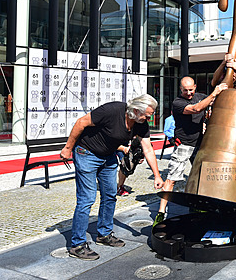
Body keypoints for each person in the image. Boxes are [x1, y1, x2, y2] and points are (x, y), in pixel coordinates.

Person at [60, 94, 164, 261]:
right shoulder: (112, 110)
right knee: (87, 198)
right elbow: (81, 122)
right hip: (86, 153)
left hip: (108, 156)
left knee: (110, 195)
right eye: (147, 115)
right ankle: (77, 244)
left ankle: (104, 234)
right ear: (136, 111)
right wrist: (67, 148)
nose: (149, 119)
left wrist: (157, 176)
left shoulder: (140, 124)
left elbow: (148, 149)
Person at [154, 77, 228, 225]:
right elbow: (196, 109)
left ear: (195, 87)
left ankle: (198, 206)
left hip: (200, 143)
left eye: (191, 90)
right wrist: (215, 93)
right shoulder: (177, 103)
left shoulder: (200, 96)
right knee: (172, 178)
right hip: (184, 144)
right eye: (185, 90)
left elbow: (215, 99)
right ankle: (161, 213)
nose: (188, 93)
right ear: (180, 89)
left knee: (202, 177)